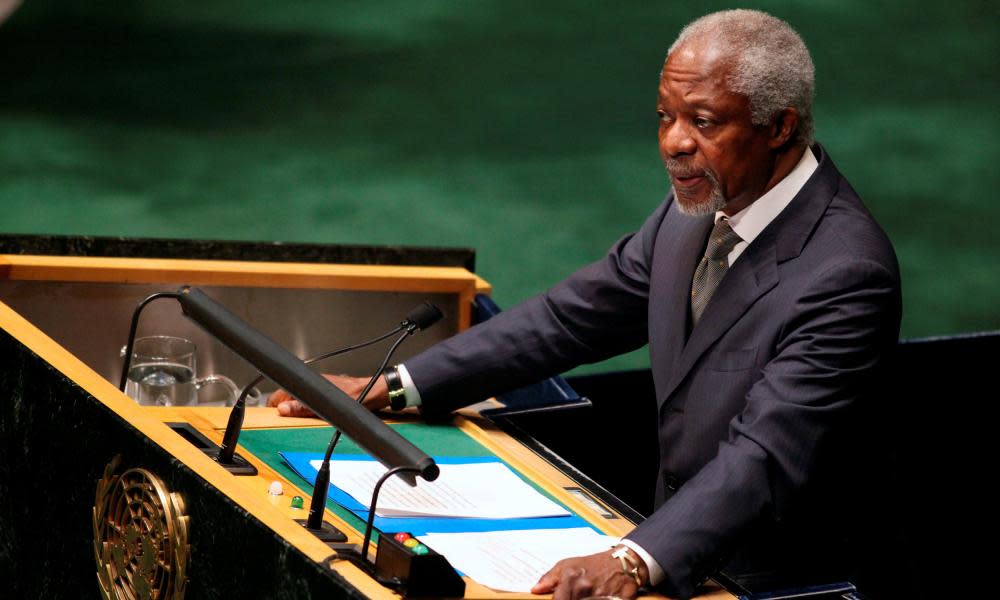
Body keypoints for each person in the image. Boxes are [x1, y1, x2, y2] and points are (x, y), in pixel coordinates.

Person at [271, 10, 901, 600]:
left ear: (780, 127)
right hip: (680, 559)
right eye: (664, 116)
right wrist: (399, 387)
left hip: (773, 584)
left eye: (704, 122)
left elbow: (764, 456)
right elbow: (569, 319)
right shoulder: (697, 210)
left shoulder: (845, 273)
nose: (674, 143)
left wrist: (633, 559)